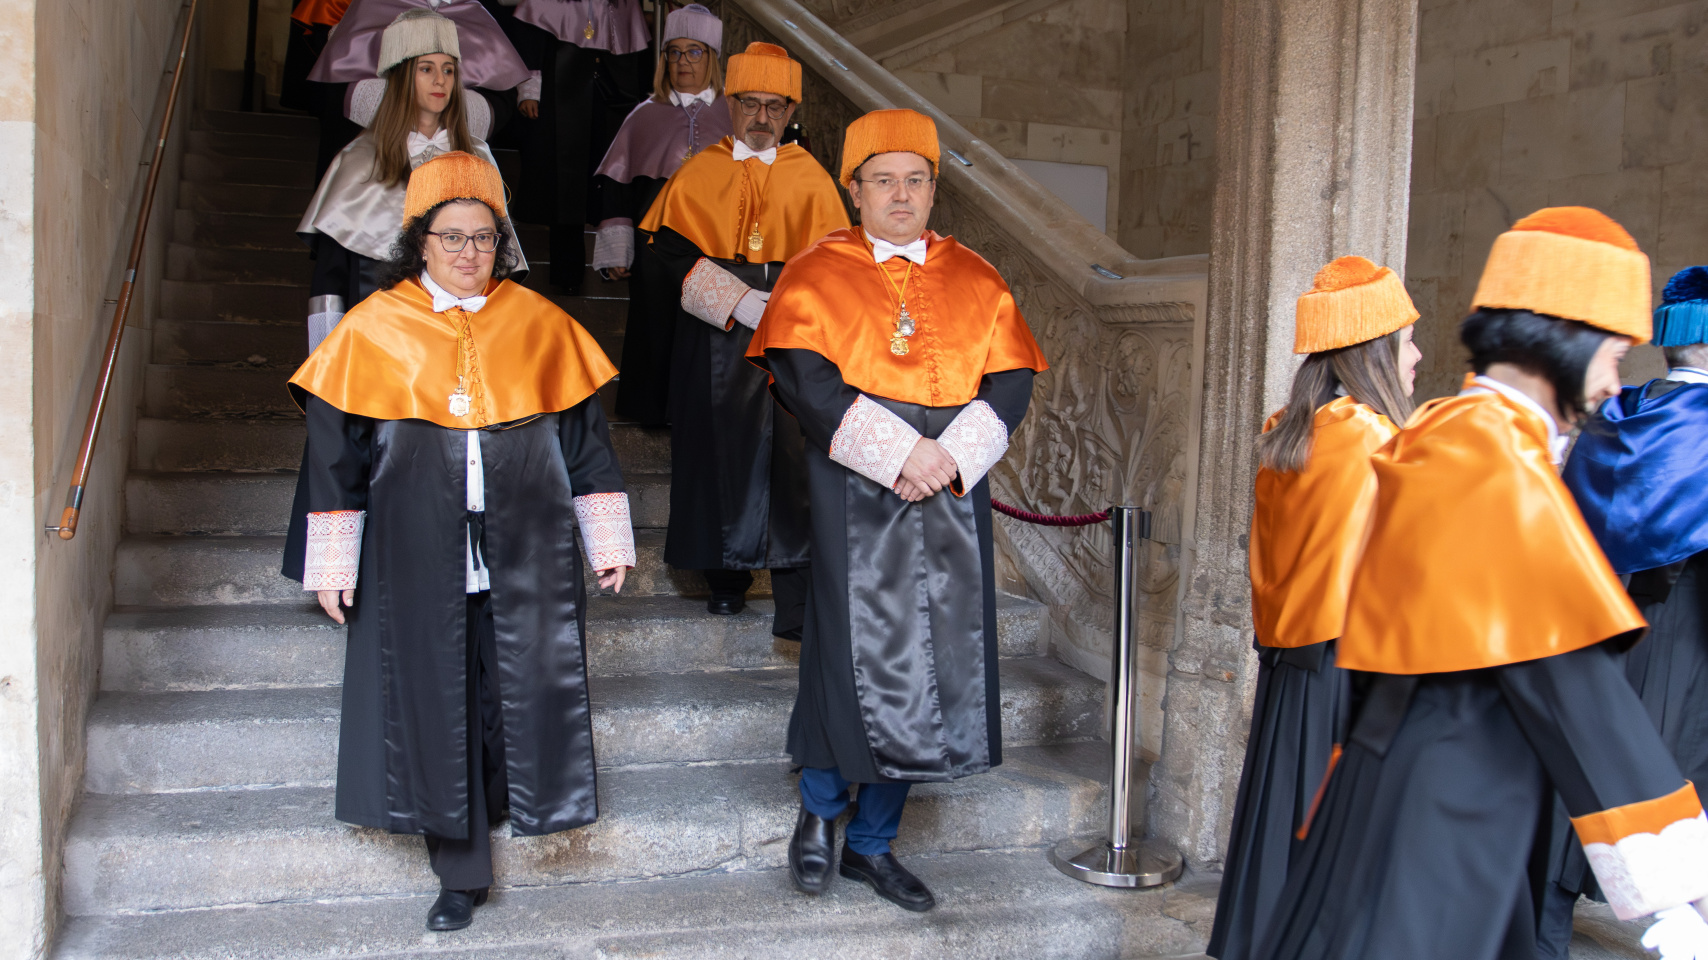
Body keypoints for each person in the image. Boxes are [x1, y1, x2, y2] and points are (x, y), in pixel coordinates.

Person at [1256, 207, 1708, 960]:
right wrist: (1670, 893)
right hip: (1445, 807)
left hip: (1433, 786)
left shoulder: (1453, 428)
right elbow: (1566, 674)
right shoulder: (1487, 451)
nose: (1614, 379)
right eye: (1613, 353)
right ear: (1564, 342)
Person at [280, 152, 635, 932]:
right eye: (453, 238)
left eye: (485, 238)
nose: (470, 253)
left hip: (526, 544)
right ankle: (459, 867)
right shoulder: (374, 328)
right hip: (413, 546)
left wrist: (605, 536)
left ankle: (511, 796)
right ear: (421, 243)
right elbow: (335, 458)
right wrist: (333, 562)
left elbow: (586, 442)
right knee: (435, 699)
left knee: (513, 687)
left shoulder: (539, 323)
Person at [747, 108, 1048, 912]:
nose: (902, 195)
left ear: (932, 191)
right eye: (884, 181)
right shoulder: (816, 270)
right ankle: (818, 812)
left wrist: (947, 457)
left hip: (951, 488)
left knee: (936, 664)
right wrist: (898, 453)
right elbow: (807, 381)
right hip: (854, 485)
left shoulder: (976, 274)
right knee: (847, 655)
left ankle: (873, 846)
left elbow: (1011, 378)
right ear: (855, 191)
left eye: (916, 181)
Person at [1206, 256, 1422, 960]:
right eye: (1408, 339)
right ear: (1376, 350)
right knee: (1330, 831)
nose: (1418, 354)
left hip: (1292, 662)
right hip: (1346, 660)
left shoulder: (1294, 430)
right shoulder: (1370, 438)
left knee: (1282, 824)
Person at [637, 41, 848, 627]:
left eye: (773, 106)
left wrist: (784, 305)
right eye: (750, 104)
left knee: (795, 460)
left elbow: (836, 261)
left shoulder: (812, 176)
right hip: (713, 341)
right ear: (730, 104)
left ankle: (795, 593)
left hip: (791, 338)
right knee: (716, 452)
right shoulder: (699, 170)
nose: (761, 118)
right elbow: (667, 255)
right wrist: (735, 300)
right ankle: (723, 577)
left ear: (790, 109)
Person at [1534, 265, 1708, 957]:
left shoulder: (1618, 413)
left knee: (1581, 770)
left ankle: (1545, 923)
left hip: (1597, 629)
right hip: (1687, 634)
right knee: (1678, 770)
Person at [296, 9, 527, 353]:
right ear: (402, 76)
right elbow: (330, 282)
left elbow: (500, 264)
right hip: (379, 341)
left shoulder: (477, 156)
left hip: (459, 340)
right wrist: (322, 365)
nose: (441, 81)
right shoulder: (360, 158)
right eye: (426, 69)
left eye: (449, 70)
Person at [595, 3, 732, 425]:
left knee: (707, 330)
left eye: (694, 52)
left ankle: (700, 414)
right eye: (673, 52)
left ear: (711, 57)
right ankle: (651, 411)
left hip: (714, 243)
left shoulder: (735, 116)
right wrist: (618, 247)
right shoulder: (644, 116)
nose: (682, 62)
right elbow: (617, 184)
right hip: (654, 246)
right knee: (654, 326)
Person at [496, 0, 652, 293]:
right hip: (561, 97)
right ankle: (567, 275)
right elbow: (531, 38)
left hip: (611, 99)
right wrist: (529, 90)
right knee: (564, 188)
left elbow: (635, 53)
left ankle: (616, 262)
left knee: (612, 184)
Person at [309, 0, 539, 166]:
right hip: (380, 156)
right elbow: (341, 76)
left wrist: (453, 117)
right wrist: (400, 111)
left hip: (454, 155)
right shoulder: (372, 6)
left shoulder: (479, 11)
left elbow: (500, 90)